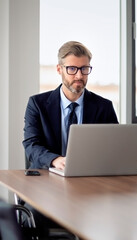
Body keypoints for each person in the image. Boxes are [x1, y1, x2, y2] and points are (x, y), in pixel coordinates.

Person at [23, 41, 119, 171]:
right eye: (72, 69)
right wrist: (55, 160)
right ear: (59, 69)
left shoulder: (104, 107)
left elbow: (113, 147)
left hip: (88, 177)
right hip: (47, 177)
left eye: (84, 69)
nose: (79, 76)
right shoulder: (37, 104)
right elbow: (31, 145)